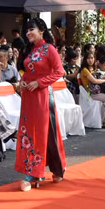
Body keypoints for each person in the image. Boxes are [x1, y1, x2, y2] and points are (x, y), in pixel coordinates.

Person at [15, 18, 66, 191]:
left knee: (42, 133)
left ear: (42, 31)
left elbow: (59, 72)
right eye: (27, 30)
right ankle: (41, 170)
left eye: (32, 29)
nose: (28, 33)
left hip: (43, 95)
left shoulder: (49, 49)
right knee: (28, 133)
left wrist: (39, 83)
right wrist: (22, 81)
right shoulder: (30, 50)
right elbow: (28, 72)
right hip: (28, 97)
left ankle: (35, 173)